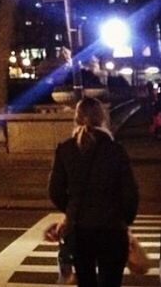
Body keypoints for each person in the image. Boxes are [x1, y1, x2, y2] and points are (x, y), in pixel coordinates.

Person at [48, 97, 139, 287]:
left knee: (86, 280)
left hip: (80, 229)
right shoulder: (115, 150)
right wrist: (125, 219)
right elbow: (130, 193)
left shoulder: (66, 149)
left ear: (77, 118)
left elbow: (55, 190)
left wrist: (72, 209)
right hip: (112, 228)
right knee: (111, 281)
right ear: (102, 118)